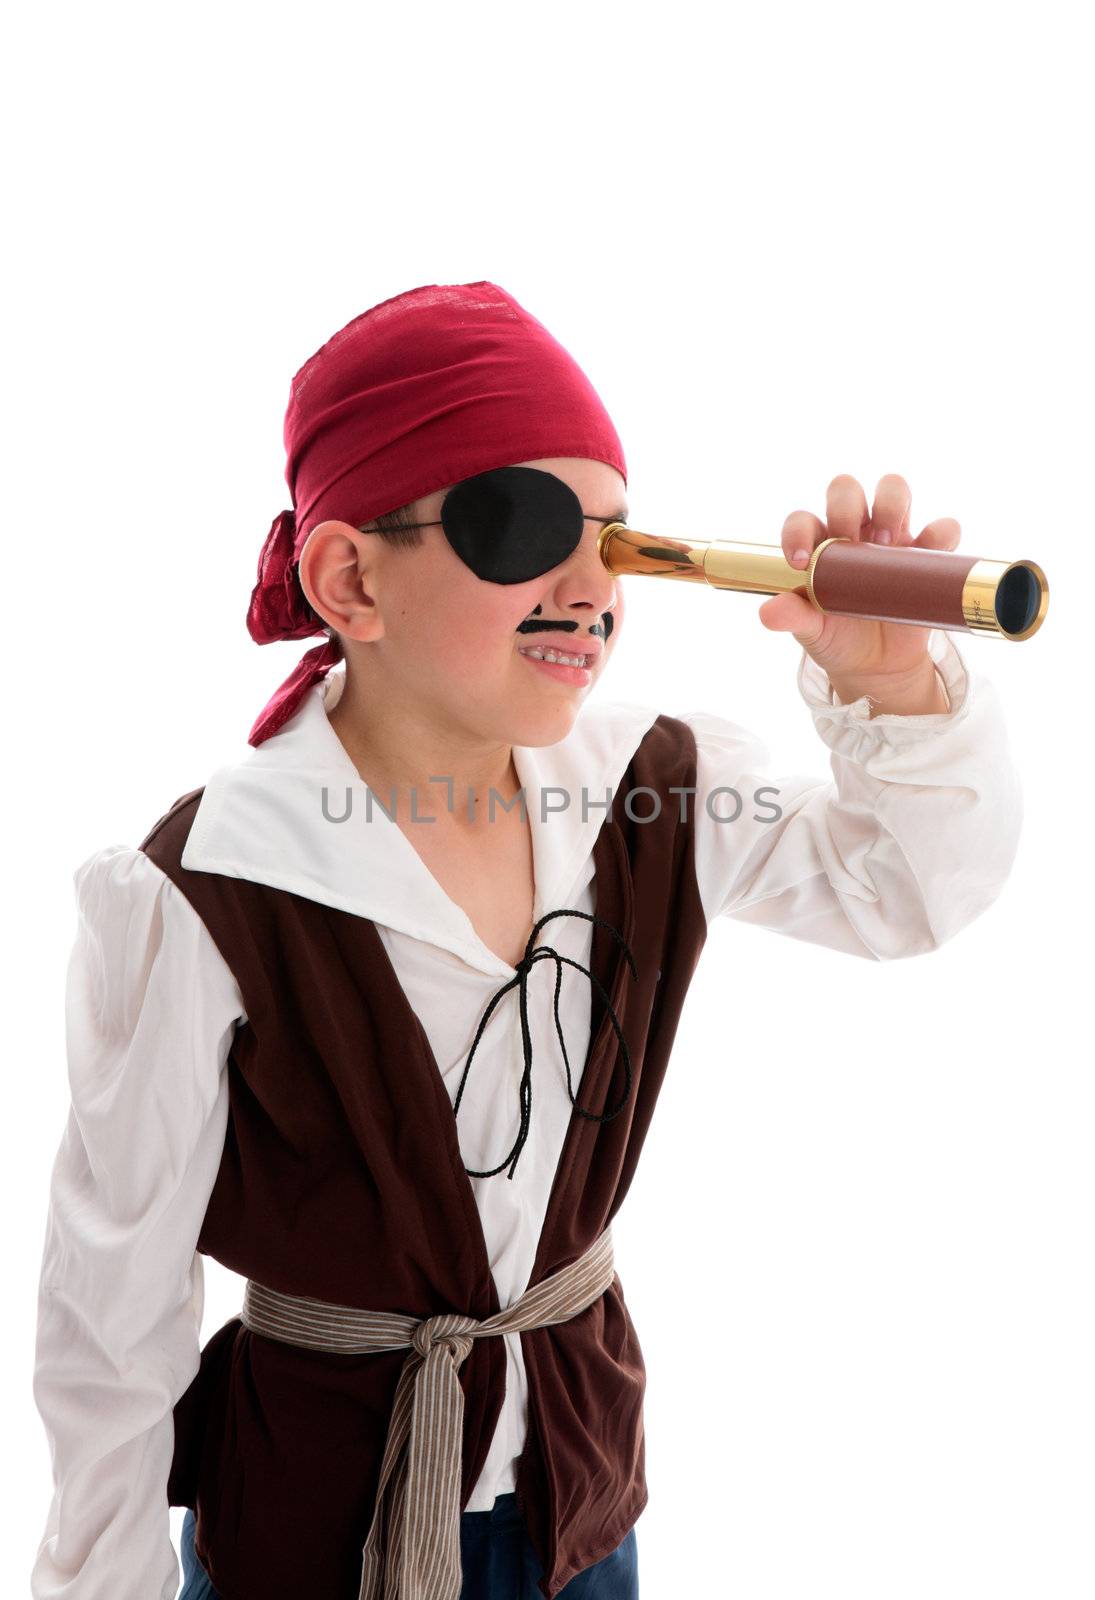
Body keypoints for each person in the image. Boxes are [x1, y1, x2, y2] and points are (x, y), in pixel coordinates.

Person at [31, 280, 1023, 1600]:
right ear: (350, 578)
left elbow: (910, 889)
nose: (589, 588)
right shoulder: (207, 884)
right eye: (527, 528)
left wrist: (894, 691)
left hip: (572, 1511)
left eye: (617, 544)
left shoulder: (651, 790)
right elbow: (113, 1311)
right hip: (308, 1537)